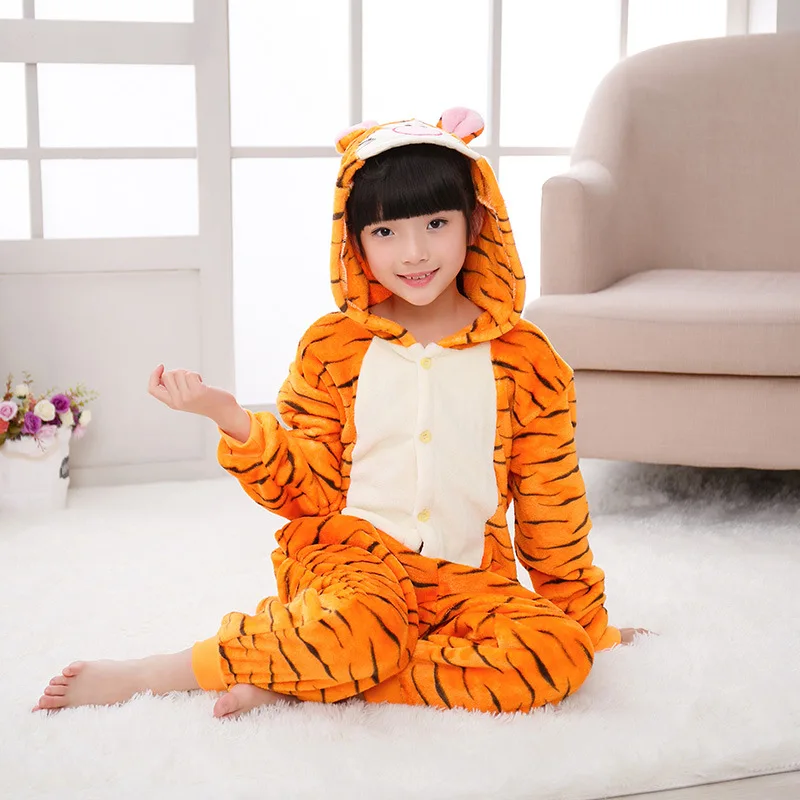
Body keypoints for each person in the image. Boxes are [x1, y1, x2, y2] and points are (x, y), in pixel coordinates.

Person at [33, 108, 646, 720]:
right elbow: (311, 491)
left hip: (467, 580)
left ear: (476, 222)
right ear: (354, 242)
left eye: (436, 223)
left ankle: (303, 674)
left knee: (558, 652)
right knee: (361, 626)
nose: (414, 252)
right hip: (352, 568)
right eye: (385, 232)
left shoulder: (529, 360)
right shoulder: (332, 347)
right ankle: (162, 671)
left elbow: (551, 508)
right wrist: (230, 417)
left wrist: (588, 625)